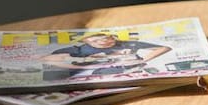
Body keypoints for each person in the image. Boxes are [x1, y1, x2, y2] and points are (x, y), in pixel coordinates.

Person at [40, 32, 171, 80]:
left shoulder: (128, 44)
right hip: (84, 75)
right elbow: (46, 59)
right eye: (97, 41)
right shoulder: (80, 49)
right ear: (87, 42)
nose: (105, 41)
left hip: (123, 72)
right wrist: (83, 60)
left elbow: (164, 48)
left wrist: (145, 59)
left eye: (108, 38)